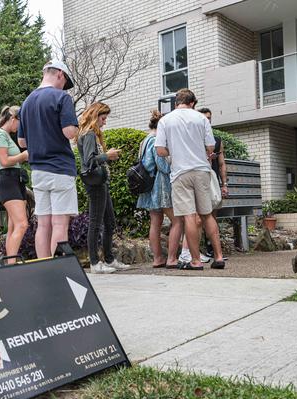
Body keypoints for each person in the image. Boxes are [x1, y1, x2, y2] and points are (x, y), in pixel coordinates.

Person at [155, 89, 225, 270]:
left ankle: (195, 261)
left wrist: (176, 152)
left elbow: (160, 150)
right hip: (201, 171)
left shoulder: (165, 120)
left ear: (176, 102)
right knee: (207, 214)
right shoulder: (201, 119)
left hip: (180, 173)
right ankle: (218, 257)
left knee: (188, 216)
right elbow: (211, 147)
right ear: (193, 102)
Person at [17, 60, 79, 258]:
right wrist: (76, 126)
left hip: (38, 171)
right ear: (60, 74)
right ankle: (57, 269)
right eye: (65, 81)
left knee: (43, 224)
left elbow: (22, 142)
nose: (64, 87)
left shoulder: (26, 102)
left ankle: (43, 265)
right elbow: (69, 132)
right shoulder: (62, 97)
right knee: (60, 223)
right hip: (60, 168)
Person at [76, 102, 130, 273]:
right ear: (95, 116)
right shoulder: (90, 134)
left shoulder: (87, 134)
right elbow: (89, 161)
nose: (105, 122)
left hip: (99, 183)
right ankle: (95, 263)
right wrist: (108, 155)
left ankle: (108, 259)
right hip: (96, 183)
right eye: (103, 118)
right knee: (96, 223)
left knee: (109, 222)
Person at [178, 107, 229, 262]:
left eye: (210, 118)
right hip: (196, 178)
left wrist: (224, 184)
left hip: (211, 179)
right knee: (198, 218)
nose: (207, 120)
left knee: (210, 216)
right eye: (205, 118)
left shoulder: (217, 140)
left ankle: (213, 252)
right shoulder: (192, 137)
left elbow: (222, 163)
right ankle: (189, 252)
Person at [136, 110, 183, 269]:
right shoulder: (156, 139)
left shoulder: (144, 140)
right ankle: (171, 258)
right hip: (161, 184)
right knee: (178, 220)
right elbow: (162, 166)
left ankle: (157, 258)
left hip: (149, 186)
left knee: (155, 222)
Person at [0, 105, 29, 262]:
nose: (21, 127)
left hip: (17, 180)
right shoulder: (0, 134)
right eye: (21, 122)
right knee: (22, 224)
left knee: (13, 226)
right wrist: (24, 155)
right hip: (8, 180)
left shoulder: (6, 136)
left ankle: (10, 262)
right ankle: (12, 264)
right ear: (13, 118)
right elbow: (4, 161)